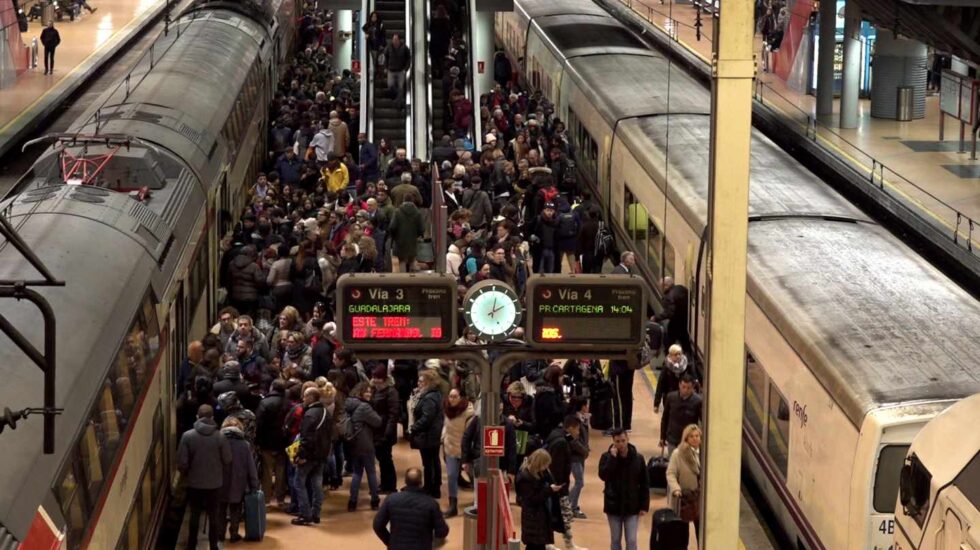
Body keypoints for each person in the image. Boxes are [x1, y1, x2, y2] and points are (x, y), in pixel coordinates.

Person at [177, 404, 231, 550]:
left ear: (197, 417)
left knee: (194, 515)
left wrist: (189, 474)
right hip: (215, 484)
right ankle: (213, 546)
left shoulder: (188, 436)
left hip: (194, 483)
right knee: (214, 516)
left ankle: (191, 545)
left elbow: (182, 462)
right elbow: (227, 459)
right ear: (212, 418)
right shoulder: (220, 437)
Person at [372, 467, 450, 549]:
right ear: (421, 483)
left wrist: (390, 541)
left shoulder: (391, 499)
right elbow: (442, 531)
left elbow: (377, 525)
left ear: (405, 482)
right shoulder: (431, 503)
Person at [598, 429, 649, 550]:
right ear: (613, 441)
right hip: (613, 505)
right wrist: (612, 459)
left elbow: (645, 483)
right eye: (617, 441)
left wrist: (644, 506)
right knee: (615, 539)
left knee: (631, 540)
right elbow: (603, 475)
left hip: (632, 505)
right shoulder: (606, 457)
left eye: (623, 440)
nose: (621, 444)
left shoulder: (638, 459)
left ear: (627, 439)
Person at [545, 415, 587, 550]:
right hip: (558, 486)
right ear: (570, 428)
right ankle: (550, 542)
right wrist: (559, 486)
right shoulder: (561, 443)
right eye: (577, 429)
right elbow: (556, 467)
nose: (578, 433)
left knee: (565, 516)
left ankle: (566, 543)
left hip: (556, 486)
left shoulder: (559, 435)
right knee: (561, 515)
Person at [293, 387, 332, 525]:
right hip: (322, 454)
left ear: (311, 397)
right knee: (317, 484)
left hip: (309, 454)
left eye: (304, 396)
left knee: (299, 483)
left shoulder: (310, 414)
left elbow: (306, 438)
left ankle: (305, 514)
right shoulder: (325, 412)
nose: (303, 399)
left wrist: (301, 455)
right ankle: (316, 514)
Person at [218, 417, 259, 543]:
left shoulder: (217, 442)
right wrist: (254, 484)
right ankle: (234, 534)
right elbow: (251, 466)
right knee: (235, 509)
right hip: (239, 482)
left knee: (221, 509)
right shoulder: (244, 445)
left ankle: (220, 534)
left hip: (220, 481)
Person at [346, 381, 383, 511]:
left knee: (357, 473)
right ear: (360, 392)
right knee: (371, 472)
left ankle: (352, 501)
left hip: (354, 443)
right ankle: (374, 500)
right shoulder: (364, 407)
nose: (369, 394)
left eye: (370, 392)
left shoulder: (350, 404)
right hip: (365, 443)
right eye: (366, 391)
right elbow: (378, 422)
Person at [516, 449, 561, 550]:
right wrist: (549, 490)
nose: (547, 467)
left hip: (538, 517)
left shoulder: (539, 474)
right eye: (545, 465)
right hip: (533, 518)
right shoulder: (526, 478)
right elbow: (532, 499)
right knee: (534, 545)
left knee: (538, 545)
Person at [409, 369, 445, 498]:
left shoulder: (429, 398)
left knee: (429, 463)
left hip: (428, 436)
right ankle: (433, 487)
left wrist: (414, 428)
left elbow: (426, 418)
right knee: (433, 461)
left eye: (421, 381)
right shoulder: (434, 394)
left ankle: (431, 488)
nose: (418, 383)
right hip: (432, 435)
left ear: (429, 382)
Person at [255, 379, 289, 507]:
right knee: (281, 471)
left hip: (267, 441)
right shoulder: (288, 403)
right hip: (283, 441)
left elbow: (259, 423)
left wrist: (258, 440)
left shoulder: (264, 402)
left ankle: (266, 500)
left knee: (267, 472)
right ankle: (280, 499)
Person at [441, 388, 474, 517]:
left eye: (455, 396)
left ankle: (479, 503)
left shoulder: (469, 412)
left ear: (461, 398)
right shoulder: (446, 409)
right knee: (451, 476)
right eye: (450, 396)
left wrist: (468, 453)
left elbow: (470, 434)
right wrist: (443, 438)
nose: (452, 399)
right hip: (450, 448)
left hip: (465, 451)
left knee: (473, 477)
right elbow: (445, 425)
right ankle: (452, 505)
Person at [667, 424, 703, 542]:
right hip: (684, 498)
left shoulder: (705, 453)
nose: (695, 438)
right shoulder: (678, 454)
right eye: (691, 436)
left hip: (700, 498)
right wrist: (676, 489)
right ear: (686, 438)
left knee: (701, 533)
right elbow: (671, 473)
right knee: (682, 535)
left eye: (697, 436)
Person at [370, 365, 401, 494]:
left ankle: (390, 486)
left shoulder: (391, 392)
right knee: (382, 459)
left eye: (378, 378)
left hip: (384, 432)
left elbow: (393, 415)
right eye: (374, 377)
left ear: (384, 378)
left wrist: (387, 433)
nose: (376, 380)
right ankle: (384, 484)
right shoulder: (375, 390)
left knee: (386, 459)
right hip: (377, 430)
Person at [660, 375, 702, 455]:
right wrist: (662, 437)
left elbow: (701, 421)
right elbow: (665, 418)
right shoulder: (671, 397)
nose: (685, 390)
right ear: (679, 385)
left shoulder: (698, 402)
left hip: (689, 441)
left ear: (693, 387)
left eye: (688, 388)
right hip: (673, 439)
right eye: (683, 387)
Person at [653, 277, 691, 354]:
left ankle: (668, 356)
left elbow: (669, 312)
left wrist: (656, 317)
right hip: (685, 320)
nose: (660, 288)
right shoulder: (681, 288)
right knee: (684, 340)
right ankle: (688, 355)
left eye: (661, 286)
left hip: (676, 322)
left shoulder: (669, 296)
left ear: (665, 286)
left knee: (669, 341)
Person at [567, 397, 591, 519]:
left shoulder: (583, 419)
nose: (588, 407)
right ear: (581, 406)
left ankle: (572, 506)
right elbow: (573, 440)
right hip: (575, 456)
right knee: (579, 482)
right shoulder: (574, 420)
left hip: (580, 456)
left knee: (579, 481)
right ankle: (569, 506)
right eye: (586, 404)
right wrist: (584, 449)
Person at [388, 195, 425, 272]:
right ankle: (413, 282)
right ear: (413, 201)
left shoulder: (397, 212)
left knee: (402, 262)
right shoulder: (417, 212)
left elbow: (392, 227)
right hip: (412, 242)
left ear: (403, 200)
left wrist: (394, 237)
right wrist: (417, 236)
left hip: (400, 242)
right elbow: (422, 228)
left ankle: (403, 282)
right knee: (412, 262)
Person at [654, 345, 693, 413]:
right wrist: (656, 404)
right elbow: (660, 386)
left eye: (679, 354)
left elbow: (692, 381)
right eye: (675, 354)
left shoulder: (686, 366)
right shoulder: (666, 368)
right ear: (670, 355)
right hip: (669, 398)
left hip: (683, 397)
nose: (678, 356)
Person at [383, 34, 412, 110]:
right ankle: (395, 98)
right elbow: (385, 57)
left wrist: (406, 68)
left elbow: (408, 58)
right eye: (393, 39)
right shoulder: (388, 47)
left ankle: (398, 104)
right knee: (390, 86)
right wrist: (385, 67)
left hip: (400, 71)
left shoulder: (404, 47)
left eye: (396, 39)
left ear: (399, 40)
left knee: (400, 88)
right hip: (391, 71)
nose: (394, 41)